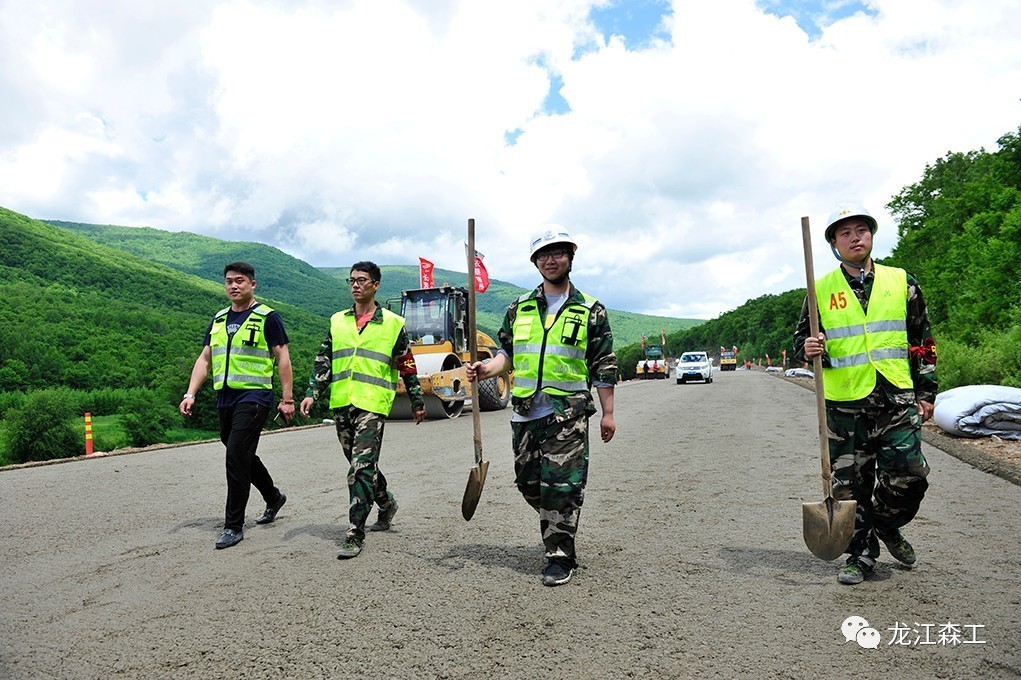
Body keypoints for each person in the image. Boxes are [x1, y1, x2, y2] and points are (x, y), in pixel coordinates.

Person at [794, 204, 937, 585]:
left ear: (871, 236)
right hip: (844, 406)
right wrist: (810, 348)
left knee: (910, 477)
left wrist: (927, 392)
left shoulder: (901, 281)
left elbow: (922, 341)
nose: (855, 237)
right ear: (834, 245)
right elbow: (798, 344)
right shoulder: (819, 289)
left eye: (861, 230)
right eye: (845, 233)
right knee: (848, 488)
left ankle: (887, 525)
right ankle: (860, 554)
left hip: (895, 399)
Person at [465, 227, 616, 586]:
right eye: (544, 255)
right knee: (529, 483)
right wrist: (485, 368)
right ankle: (559, 521)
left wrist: (608, 412)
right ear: (535, 262)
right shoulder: (520, 308)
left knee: (560, 486)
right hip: (525, 413)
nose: (551, 260)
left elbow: (604, 363)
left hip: (568, 412)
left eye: (558, 253)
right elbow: (508, 354)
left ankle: (559, 555)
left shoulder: (590, 310)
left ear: (570, 258)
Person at [299, 261, 426, 559]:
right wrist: (311, 393)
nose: (356, 285)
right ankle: (386, 502)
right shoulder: (337, 321)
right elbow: (324, 360)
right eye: (352, 280)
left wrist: (417, 400)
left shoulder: (394, 324)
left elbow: (406, 364)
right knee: (363, 467)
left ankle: (355, 531)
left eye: (362, 280)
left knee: (358, 469)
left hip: (373, 404)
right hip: (342, 403)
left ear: (376, 285)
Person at [180, 262, 294, 550]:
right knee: (238, 450)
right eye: (229, 281)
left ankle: (233, 525)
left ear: (252, 285)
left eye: (240, 281)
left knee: (235, 456)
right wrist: (190, 393)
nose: (233, 286)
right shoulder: (218, 319)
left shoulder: (268, 317)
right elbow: (205, 359)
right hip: (225, 397)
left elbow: (282, 358)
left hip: (255, 395)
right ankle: (273, 497)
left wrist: (287, 398)